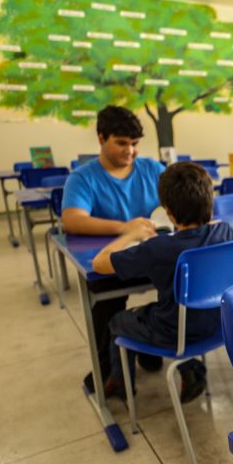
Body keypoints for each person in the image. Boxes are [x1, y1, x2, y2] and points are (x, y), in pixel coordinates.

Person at [92, 162, 233, 401]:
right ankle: (188, 368)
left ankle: (121, 386)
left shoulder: (158, 248)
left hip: (176, 334)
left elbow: (99, 264)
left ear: (168, 213)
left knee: (118, 321)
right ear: (210, 202)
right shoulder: (228, 233)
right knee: (162, 313)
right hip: (222, 325)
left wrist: (130, 235)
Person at [62, 105, 166, 393]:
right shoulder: (82, 178)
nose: (130, 151)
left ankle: (153, 346)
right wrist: (124, 228)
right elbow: (72, 219)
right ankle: (108, 370)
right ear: (101, 138)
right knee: (105, 302)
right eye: (121, 143)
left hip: (153, 257)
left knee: (178, 285)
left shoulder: (152, 169)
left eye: (134, 143)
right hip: (111, 262)